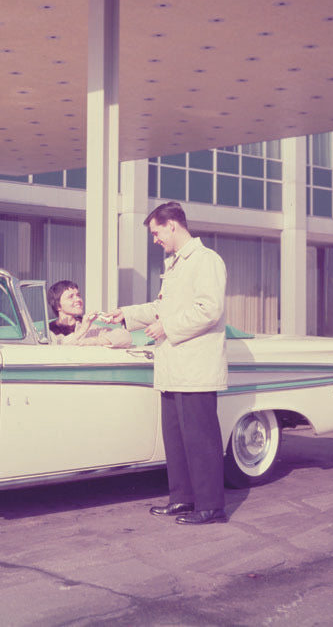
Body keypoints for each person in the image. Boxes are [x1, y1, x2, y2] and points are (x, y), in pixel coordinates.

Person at [105, 201, 229, 525]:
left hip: (196, 369)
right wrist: (126, 315)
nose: (155, 240)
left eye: (156, 232)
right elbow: (161, 308)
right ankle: (183, 499)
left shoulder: (206, 261)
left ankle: (211, 506)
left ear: (172, 225)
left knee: (201, 441)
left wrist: (167, 328)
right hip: (174, 368)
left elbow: (209, 310)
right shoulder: (175, 265)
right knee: (176, 441)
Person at [47, 280, 131, 347]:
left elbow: (125, 336)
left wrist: (92, 341)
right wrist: (82, 330)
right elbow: (58, 349)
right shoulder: (48, 332)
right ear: (58, 305)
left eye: (78, 295)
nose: (78, 299)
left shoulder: (90, 328)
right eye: (71, 297)